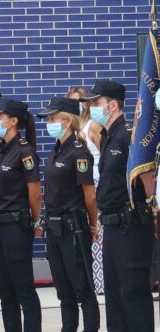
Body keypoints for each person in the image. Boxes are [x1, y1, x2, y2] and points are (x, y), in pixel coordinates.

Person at [80, 80, 154, 331]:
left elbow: (147, 178)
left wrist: (151, 204)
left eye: (96, 103)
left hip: (129, 226)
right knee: (114, 298)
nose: (92, 108)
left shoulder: (128, 135)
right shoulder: (108, 137)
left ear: (112, 105)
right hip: (112, 227)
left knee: (132, 295)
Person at [38, 97, 100, 332]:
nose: (50, 122)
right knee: (63, 290)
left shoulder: (79, 153)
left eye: (53, 118)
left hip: (73, 228)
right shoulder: (55, 152)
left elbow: (90, 196)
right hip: (54, 229)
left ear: (67, 120)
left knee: (82, 288)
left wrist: (93, 225)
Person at [0, 95, 43, 332]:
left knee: (23, 288)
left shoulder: (24, 152)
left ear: (13, 121)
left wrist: (36, 220)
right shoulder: (0, 149)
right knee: (5, 291)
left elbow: (35, 193)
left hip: (16, 225)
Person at [67, 87, 104, 295]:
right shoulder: (70, 129)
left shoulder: (93, 125)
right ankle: (87, 280)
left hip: (96, 182)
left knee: (97, 234)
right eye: (73, 101)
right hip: (77, 186)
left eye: (81, 101)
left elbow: (104, 154)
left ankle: (101, 282)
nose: (78, 105)